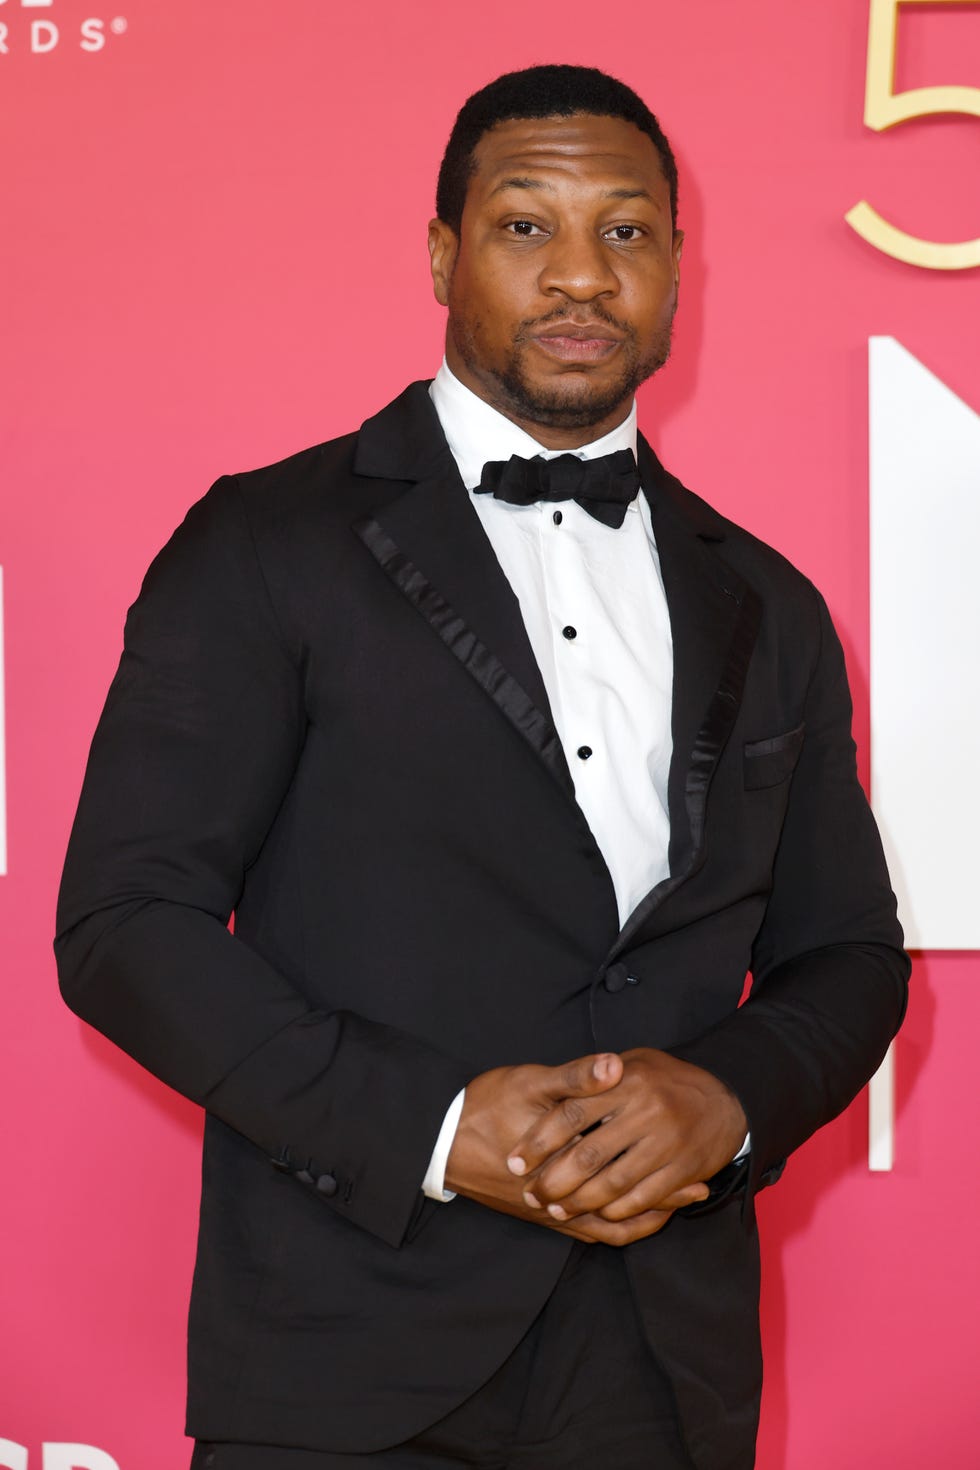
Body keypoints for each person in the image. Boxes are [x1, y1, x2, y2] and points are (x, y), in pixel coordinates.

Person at [55, 64, 909, 1470]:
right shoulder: (265, 545)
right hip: (346, 1350)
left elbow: (851, 954)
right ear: (444, 253)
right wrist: (443, 1126)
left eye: (627, 231)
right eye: (526, 226)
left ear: (679, 271)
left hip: (664, 1365)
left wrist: (729, 1101)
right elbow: (124, 923)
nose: (582, 273)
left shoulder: (769, 597)